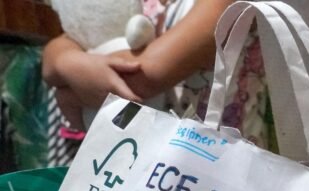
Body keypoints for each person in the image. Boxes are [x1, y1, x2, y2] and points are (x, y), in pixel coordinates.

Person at [41, 0, 270, 147]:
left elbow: (145, 76)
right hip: (144, 165)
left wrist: (68, 89)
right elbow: (60, 47)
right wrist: (65, 62)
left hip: (219, 172)